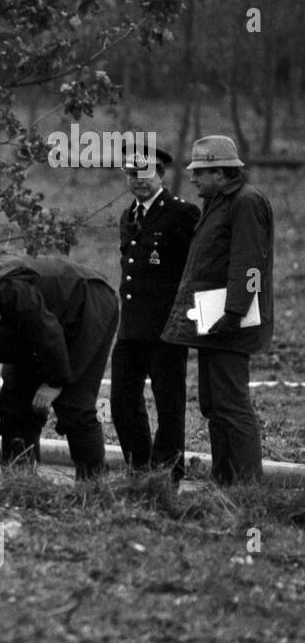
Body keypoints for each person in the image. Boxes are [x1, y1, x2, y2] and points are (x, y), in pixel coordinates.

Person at [0, 257, 119, 480]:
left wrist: (55, 382)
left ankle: (92, 485)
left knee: (74, 404)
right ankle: (20, 481)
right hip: (33, 334)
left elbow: (45, 331)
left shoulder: (5, 291)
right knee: (14, 406)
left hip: (85, 305)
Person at [161, 135, 274, 485]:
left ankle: (247, 487)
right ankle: (224, 482)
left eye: (200, 172)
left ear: (221, 173)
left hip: (231, 324)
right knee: (214, 405)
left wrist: (235, 313)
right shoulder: (219, 202)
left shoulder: (246, 202)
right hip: (214, 322)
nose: (192, 177)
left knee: (232, 406)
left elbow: (249, 263)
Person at [109, 146, 200, 480]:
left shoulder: (181, 213)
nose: (139, 180)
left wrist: (184, 317)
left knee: (169, 406)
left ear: (160, 175)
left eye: (145, 173)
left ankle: (167, 475)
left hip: (166, 328)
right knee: (121, 402)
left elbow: (193, 269)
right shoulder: (129, 215)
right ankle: (139, 468)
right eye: (132, 174)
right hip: (131, 328)